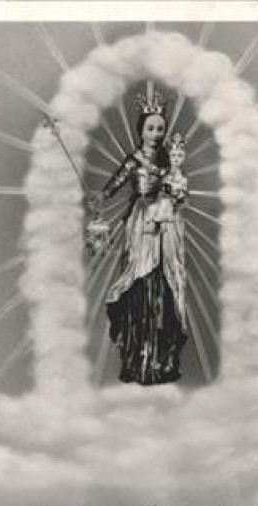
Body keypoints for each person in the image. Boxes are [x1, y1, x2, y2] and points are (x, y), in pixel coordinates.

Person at [89, 93, 188, 386]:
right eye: (151, 128)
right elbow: (114, 184)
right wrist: (100, 199)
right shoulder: (134, 160)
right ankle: (137, 359)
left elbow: (180, 194)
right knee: (140, 281)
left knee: (166, 283)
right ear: (141, 130)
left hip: (166, 226)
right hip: (141, 224)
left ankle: (161, 361)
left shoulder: (170, 160)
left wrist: (174, 190)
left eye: (160, 128)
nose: (156, 134)